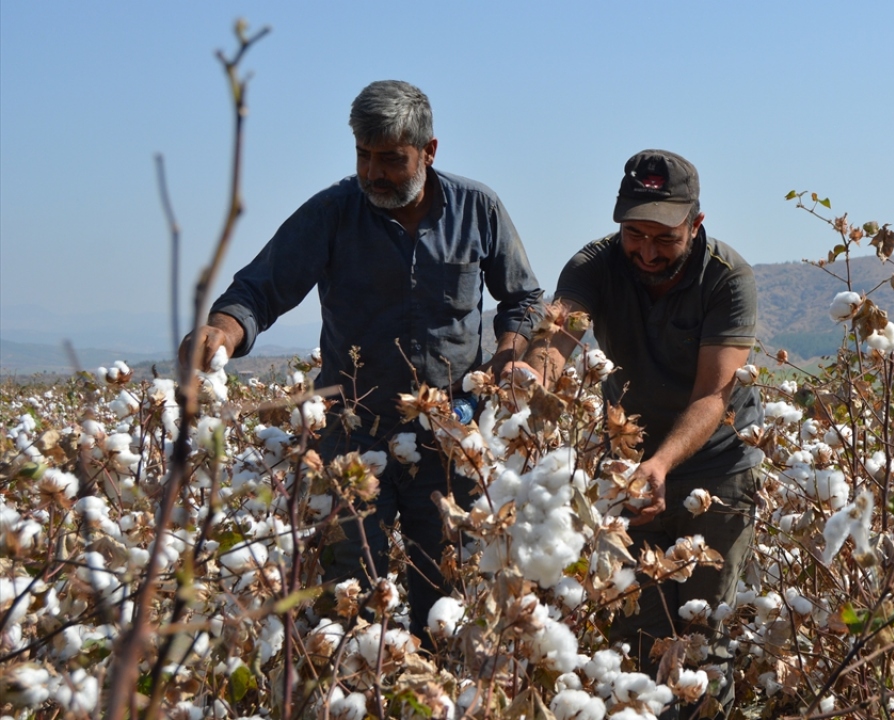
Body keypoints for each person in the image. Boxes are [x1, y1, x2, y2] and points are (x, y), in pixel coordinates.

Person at [181, 80, 543, 641]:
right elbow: (259, 290)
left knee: (448, 596)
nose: (374, 173)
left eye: (392, 160)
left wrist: (508, 358)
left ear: (429, 151)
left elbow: (521, 300)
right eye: (363, 156)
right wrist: (221, 332)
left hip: (450, 436)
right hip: (353, 435)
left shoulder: (479, 209)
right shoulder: (331, 213)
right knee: (345, 598)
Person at [524, 150, 762, 719]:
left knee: (704, 640)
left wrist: (660, 464)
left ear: (695, 224)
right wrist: (529, 378)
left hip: (715, 471)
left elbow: (713, 395)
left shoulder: (728, 278)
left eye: (665, 238)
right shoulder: (594, 266)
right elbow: (559, 335)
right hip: (631, 471)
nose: (647, 252)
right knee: (637, 632)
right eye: (634, 234)